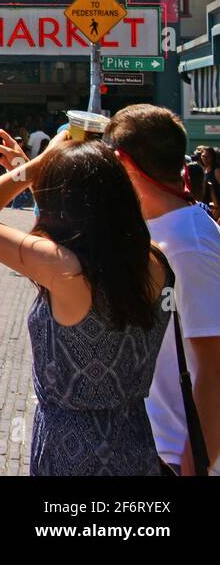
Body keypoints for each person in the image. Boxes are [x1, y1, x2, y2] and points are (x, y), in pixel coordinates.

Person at [0, 131, 171, 475]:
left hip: (69, 451)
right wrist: (37, 169)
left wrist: (37, 166)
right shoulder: (153, 259)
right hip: (135, 441)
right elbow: (83, 231)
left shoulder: (64, 269)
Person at [105, 105, 219, 475]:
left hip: (173, 458)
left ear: (124, 163)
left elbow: (215, 369)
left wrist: (193, 464)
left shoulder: (189, 245)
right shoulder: (156, 225)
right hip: (149, 444)